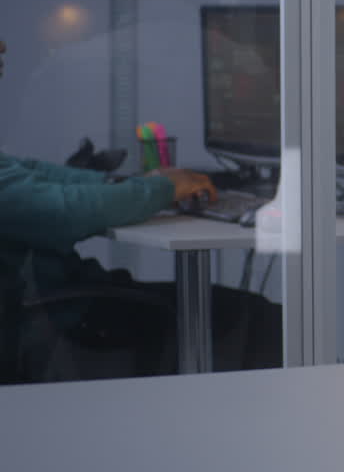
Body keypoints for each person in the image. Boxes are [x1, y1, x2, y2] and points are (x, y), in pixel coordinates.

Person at [0, 38, 280, 382]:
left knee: (235, 312)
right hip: (57, 316)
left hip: (58, 303)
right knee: (263, 321)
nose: (3, 46)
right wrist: (162, 189)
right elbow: (64, 211)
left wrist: (128, 184)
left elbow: (31, 172)